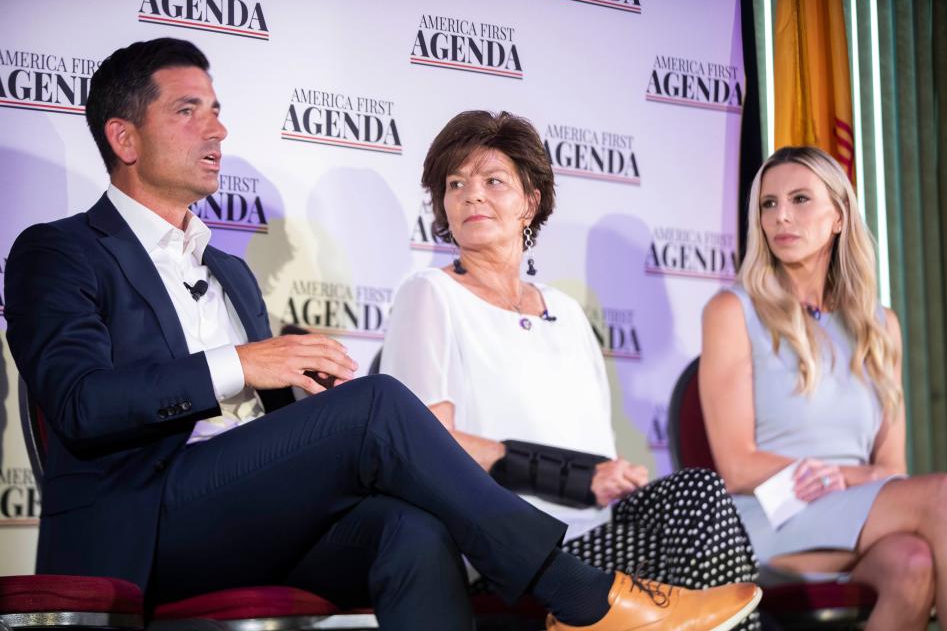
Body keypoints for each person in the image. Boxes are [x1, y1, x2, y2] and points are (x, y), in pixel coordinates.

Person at [3, 38, 760, 631]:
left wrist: (303, 403)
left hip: (239, 515)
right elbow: (79, 403)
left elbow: (267, 440)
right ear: (124, 139)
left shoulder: (230, 274)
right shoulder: (59, 249)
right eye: (189, 110)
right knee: (377, 406)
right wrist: (241, 363)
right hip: (141, 523)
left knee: (411, 529)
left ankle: (574, 589)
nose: (219, 128)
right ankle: (582, 595)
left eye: (218, 108)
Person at [379, 110, 761, 631]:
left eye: (494, 181)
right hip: (509, 548)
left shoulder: (566, 310)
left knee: (697, 494)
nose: (472, 195)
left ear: (530, 203)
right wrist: (580, 477)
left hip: (595, 531)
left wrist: (613, 477)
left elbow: (594, 449)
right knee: (692, 510)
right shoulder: (430, 294)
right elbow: (428, 445)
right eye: (456, 184)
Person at [700, 146, 947, 630]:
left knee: (913, 563)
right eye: (768, 204)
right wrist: (843, 477)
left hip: (857, 512)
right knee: (945, 494)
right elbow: (736, 466)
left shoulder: (881, 326)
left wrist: (844, 480)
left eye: (800, 199)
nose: (781, 217)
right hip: (771, 516)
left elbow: (892, 468)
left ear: (839, 217)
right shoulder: (732, 311)